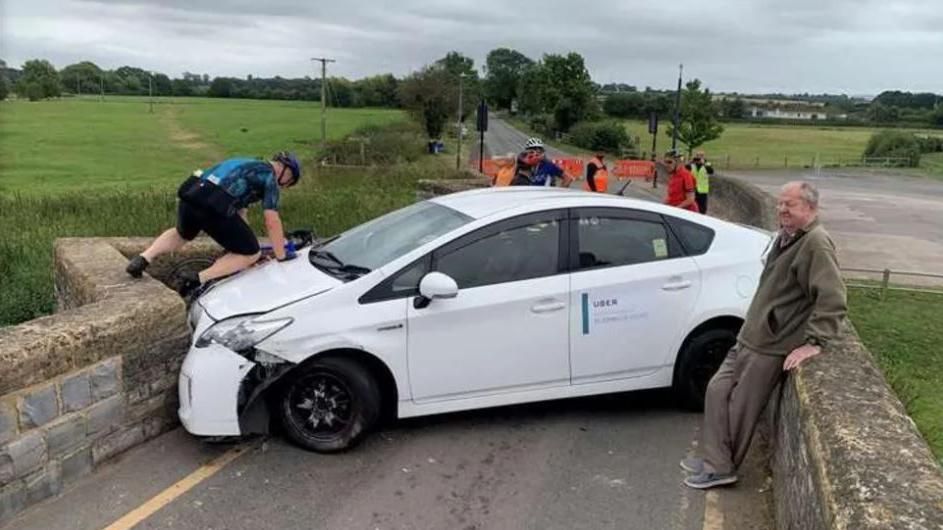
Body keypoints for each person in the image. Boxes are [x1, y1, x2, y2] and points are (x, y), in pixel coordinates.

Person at [681, 181, 847, 489]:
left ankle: (722, 468)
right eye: (781, 203)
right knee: (716, 391)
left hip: (771, 343)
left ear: (810, 208)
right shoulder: (787, 237)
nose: (782, 209)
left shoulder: (816, 243)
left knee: (742, 408)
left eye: (790, 205)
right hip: (750, 335)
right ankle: (714, 458)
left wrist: (815, 342)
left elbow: (833, 297)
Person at [125, 152, 302, 296]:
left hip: (192, 194)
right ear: (287, 173)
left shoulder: (244, 162)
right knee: (251, 253)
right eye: (289, 183)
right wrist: (281, 255)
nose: (284, 186)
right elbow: (272, 220)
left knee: (182, 234)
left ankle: (143, 258)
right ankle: (195, 279)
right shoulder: (268, 177)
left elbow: (240, 212)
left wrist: (245, 238)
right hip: (213, 206)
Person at [687, 150, 714, 214]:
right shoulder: (692, 165)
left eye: (701, 156)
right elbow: (685, 168)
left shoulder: (707, 164)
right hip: (693, 189)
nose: (699, 157)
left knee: (702, 208)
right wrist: (690, 162)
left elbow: (711, 171)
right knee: (692, 207)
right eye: (698, 156)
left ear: (704, 157)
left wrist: (703, 163)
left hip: (703, 190)